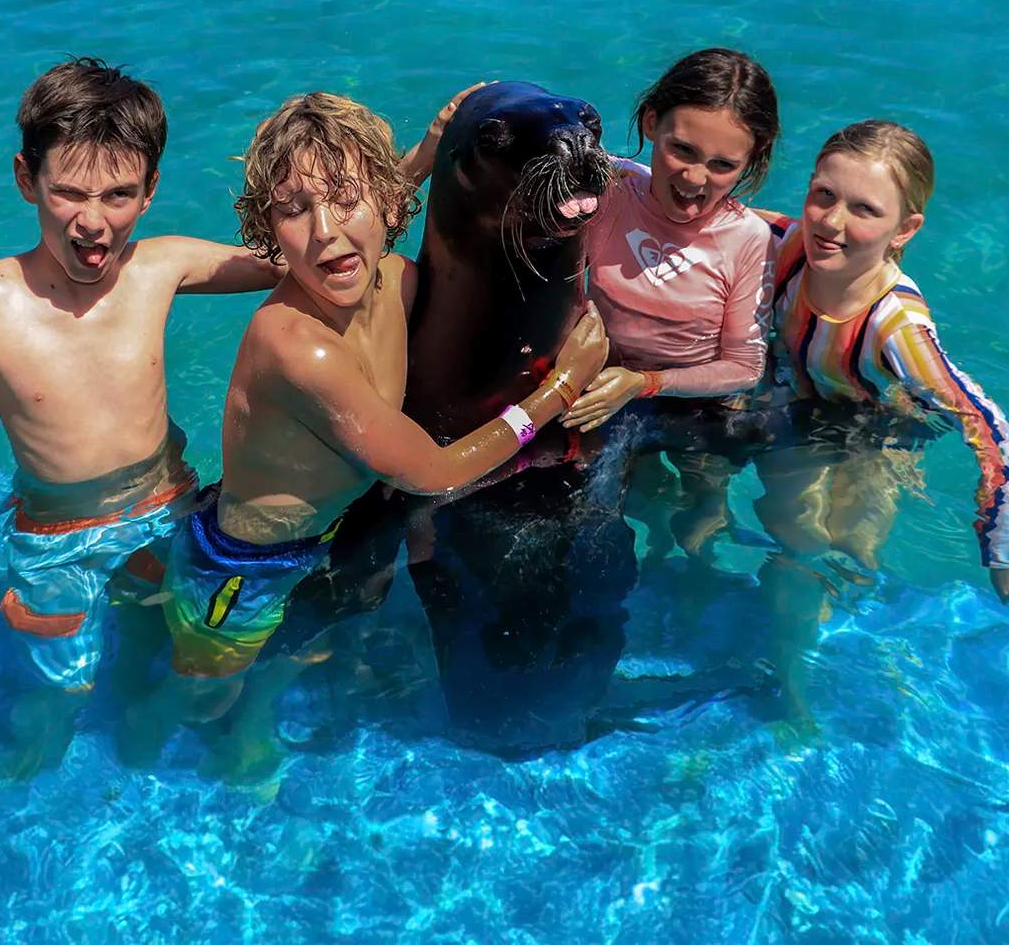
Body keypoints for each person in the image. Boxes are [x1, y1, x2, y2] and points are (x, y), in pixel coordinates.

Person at [155, 90, 606, 703]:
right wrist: (563, 385)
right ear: (268, 231)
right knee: (208, 704)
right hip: (247, 569)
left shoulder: (399, 280)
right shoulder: (297, 347)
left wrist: (430, 148)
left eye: (346, 201)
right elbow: (435, 473)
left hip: (337, 530)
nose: (324, 233)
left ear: (390, 201)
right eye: (293, 211)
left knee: (316, 658)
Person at [0, 57, 289, 776]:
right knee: (60, 694)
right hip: (54, 540)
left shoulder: (160, 267)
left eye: (119, 194)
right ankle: (25, 773)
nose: (93, 222)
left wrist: (418, 162)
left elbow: (312, 255)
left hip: (166, 507)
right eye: (67, 192)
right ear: (25, 179)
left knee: (183, 647)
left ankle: (156, 734)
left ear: (151, 191)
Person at [756, 119, 1009, 600]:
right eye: (824, 195)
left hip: (882, 428)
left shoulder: (896, 328)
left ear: (905, 230)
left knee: (854, 551)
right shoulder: (781, 243)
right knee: (791, 532)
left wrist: (1001, 545)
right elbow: (698, 212)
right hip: (798, 403)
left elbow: (989, 424)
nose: (830, 222)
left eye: (864, 210)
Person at [560, 48, 780, 553]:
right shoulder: (608, 187)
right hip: (607, 385)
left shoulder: (748, 239)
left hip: (703, 405)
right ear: (651, 122)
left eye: (723, 165)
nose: (696, 179)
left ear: (751, 161)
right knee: (605, 508)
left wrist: (646, 383)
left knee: (701, 522)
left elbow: (745, 366)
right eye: (681, 149)